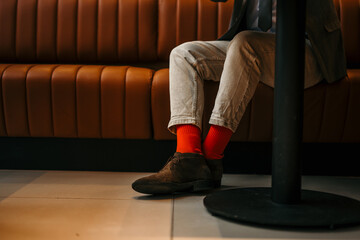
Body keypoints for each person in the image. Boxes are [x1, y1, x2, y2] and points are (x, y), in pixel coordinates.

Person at [132, 0, 347, 194]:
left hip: (307, 51)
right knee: (183, 54)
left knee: (246, 43)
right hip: (251, 48)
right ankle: (188, 158)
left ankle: (211, 156)